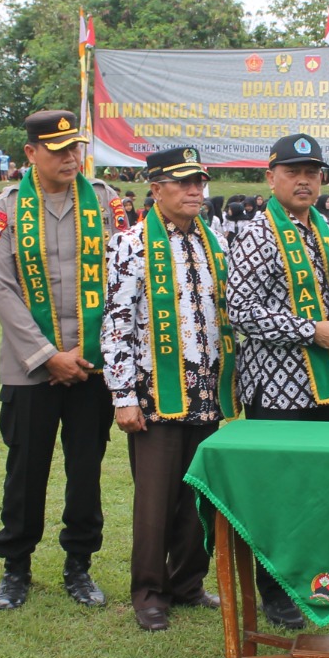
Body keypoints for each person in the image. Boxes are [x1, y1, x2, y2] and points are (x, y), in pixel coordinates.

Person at [226, 134, 329, 629]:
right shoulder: (257, 233)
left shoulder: (326, 231)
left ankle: (314, 579)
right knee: (280, 493)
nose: (304, 180)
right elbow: (241, 310)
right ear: (271, 178)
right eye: (292, 172)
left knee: (321, 490)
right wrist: (310, 330)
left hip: (326, 385)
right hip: (276, 389)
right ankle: (275, 590)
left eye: (312, 172)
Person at [0, 110, 124, 610]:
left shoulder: (105, 201)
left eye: (75, 148)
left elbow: (122, 279)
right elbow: (2, 289)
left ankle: (79, 565)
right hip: (29, 369)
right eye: (58, 149)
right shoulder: (5, 208)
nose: (70, 157)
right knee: (25, 471)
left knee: (85, 469)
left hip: (91, 365)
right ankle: (16, 568)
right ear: (31, 153)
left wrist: (86, 352)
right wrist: (47, 357)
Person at [102, 146, 234, 631]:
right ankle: (149, 592)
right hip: (155, 392)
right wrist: (123, 397)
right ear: (156, 189)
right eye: (184, 182)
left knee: (199, 497)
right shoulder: (130, 244)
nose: (195, 190)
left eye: (199, 181)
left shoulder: (213, 241)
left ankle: (188, 582)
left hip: (206, 390)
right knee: (155, 502)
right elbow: (116, 323)